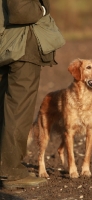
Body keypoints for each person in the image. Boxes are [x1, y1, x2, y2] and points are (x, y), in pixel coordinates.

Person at [0, 0, 65, 190]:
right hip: (21, 48)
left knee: (6, 108)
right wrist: (43, 8)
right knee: (18, 111)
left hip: (8, 45)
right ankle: (12, 172)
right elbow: (20, 11)